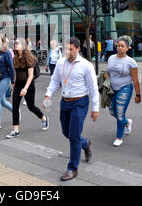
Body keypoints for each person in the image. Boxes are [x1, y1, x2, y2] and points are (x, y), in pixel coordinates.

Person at [44, 37, 99, 181]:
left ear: (78, 49)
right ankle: (85, 144)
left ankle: (72, 168)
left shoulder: (86, 65)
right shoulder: (61, 62)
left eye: (71, 49)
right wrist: (48, 95)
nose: (67, 52)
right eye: (66, 49)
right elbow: (55, 80)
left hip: (80, 102)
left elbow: (93, 88)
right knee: (66, 133)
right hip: (65, 102)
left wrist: (95, 108)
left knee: (74, 136)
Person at [7, 38, 49, 139]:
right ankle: (15, 130)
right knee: (15, 106)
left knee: (31, 107)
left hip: (28, 85)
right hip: (18, 84)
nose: (15, 44)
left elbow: (31, 76)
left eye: (17, 43)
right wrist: (13, 85)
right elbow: (16, 73)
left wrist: (25, 88)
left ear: (22, 45)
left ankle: (44, 118)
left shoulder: (29, 58)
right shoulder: (15, 58)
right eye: (15, 43)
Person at [107, 36, 141, 147]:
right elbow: (109, 72)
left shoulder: (131, 62)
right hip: (112, 89)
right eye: (118, 46)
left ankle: (119, 137)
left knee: (120, 112)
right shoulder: (111, 58)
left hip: (125, 88)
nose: (120, 48)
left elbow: (135, 79)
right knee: (112, 111)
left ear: (128, 48)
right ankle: (127, 122)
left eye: (122, 46)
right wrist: (105, 75)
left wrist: (138, 94)